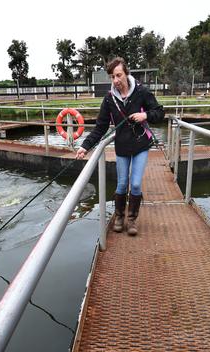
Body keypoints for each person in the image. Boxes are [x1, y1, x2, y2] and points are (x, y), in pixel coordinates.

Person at [76, 57, 164, 236]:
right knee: (122, 184)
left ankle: (131, 220)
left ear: (126, 74)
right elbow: (100, 127)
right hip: (122, 147)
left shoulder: (141, 92)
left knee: (136, 184)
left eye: (118, 75)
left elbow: (159, 113)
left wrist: (145, 115)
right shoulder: (109, 99)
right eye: (112, 77)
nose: (115, 80)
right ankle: (119, 216)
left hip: (140, 144)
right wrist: (85, 146)